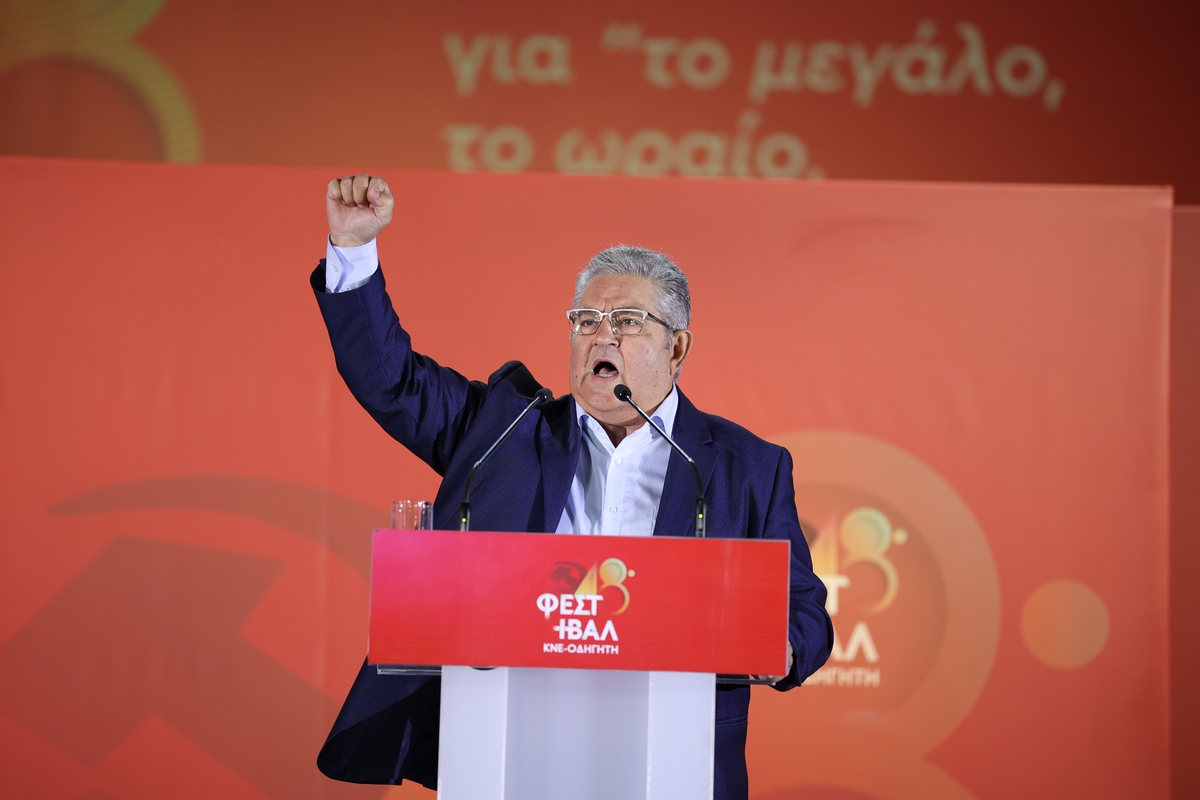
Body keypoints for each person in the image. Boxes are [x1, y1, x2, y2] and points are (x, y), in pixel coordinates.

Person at [312, 174, 833, 799]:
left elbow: (804, 608)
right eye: (585, 320)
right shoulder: (505, 430)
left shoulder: (745, 466)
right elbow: (391, 382)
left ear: (677, 349)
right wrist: (354, 251)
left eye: (627, 321)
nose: (601, 336)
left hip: (672, 762)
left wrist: (781, 647)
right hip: (510, 753)